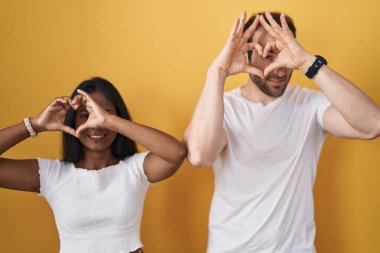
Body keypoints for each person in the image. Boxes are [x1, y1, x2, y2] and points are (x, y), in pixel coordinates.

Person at [184, 11, 380, 252]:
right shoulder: (224, 108)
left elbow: (373, 125)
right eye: (267, 54)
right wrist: (218, 72)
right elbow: (199, 156)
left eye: (284, 53)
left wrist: (308, 62)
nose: (278, 68)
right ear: (246, 53)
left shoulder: (310, 105)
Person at [0, 77, 186, 253]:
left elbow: (176, 153)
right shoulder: (52, 174)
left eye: (104, 113)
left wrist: (108, 120)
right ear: (72, 120)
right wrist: (35, 124)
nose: (95, 124)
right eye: (84, 115)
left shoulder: (135, 169)